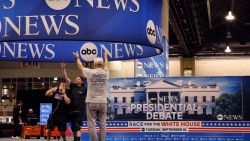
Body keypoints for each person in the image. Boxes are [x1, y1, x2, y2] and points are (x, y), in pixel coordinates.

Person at [73, 51, 109, 141]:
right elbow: (107, 65)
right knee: (102, 124)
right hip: (103, 102)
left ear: (94, 65)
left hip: (91, 101)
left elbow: (80, 67)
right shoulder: (106, 73)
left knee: (92, 124)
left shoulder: (90, 72)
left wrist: (77, 57)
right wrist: (106, 56)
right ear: (102, 64)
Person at [61, 63, 87, 141]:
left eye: (78, 79)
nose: (76, 79)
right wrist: (64, 69)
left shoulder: (85, 89)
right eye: (76, 78)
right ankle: (75, 139)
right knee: (74, 128)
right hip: (71, 110)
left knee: (77, 126)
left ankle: (78, 139)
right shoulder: (73, 86)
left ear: (81, 81)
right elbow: (66, 78)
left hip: (79, 111)